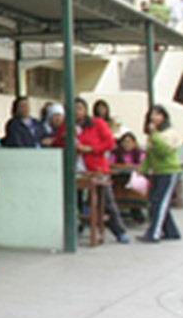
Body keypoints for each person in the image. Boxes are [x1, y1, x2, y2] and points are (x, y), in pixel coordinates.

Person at [51, 97, 129, 244]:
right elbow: (56, 145)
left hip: (96, 169)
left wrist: (91, 149)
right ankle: (76, 227)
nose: (76, 112)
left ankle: (119, 231)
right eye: (73, 109)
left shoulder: (97, 123)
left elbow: (110, 143)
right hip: (74, 169)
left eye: (79, 108)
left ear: (85, 110)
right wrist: (63, 139)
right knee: (73, 201)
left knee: (107, 201)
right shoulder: (66, 126)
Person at [139, 105, 183, 243]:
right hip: (157, 171)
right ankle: (171, 231)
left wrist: (154, 135)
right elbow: (150, 155)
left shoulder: (169, 133)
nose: (154, 118)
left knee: (159, 202)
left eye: (158, 114)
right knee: (156, 201)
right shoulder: (153, 136)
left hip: (169, 171)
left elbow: (164, 150)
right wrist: (142, 171)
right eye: (152, 115)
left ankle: (154, 233)